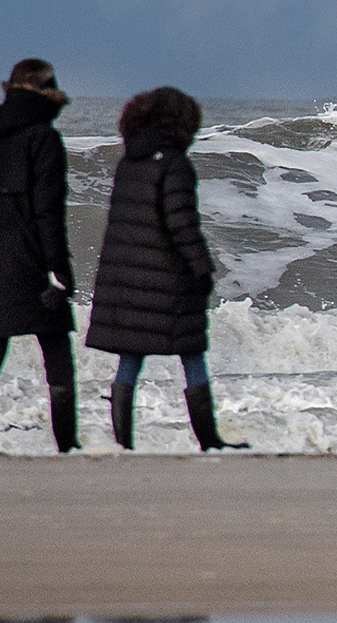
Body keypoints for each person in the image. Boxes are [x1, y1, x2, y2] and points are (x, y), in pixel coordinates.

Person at [84, 86, 245, 451]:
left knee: (131, 355)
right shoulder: (174, 164)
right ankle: (209, 439)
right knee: (191, 353)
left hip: (127, 277)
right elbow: (182, 223)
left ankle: (123, 443)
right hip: (167, 279)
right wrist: (202, 269)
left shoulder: (130, 162)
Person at [0, 58, 80, 453]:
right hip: (30, 259)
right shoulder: (44, 139)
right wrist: (59, 271)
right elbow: (48, 211)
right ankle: (66, 446)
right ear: (48, 92)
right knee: (57, 350)